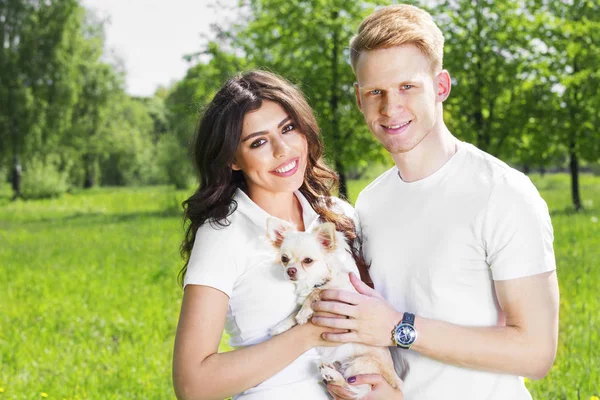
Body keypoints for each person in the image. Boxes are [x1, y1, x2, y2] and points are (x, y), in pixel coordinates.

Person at [311, 4, 560, 400]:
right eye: (376, 92)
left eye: (407, 87)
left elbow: (535, 353)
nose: (390, 108)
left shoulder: (504, 193)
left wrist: (399, 327)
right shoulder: (371, 202)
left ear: (441, 86)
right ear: (359, 99)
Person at [172, 70, 372, 400]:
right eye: (259, 142)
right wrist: (310, 332)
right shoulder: (223, 234)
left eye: (288, 128)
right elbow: (193, 385)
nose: (282, 149)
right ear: (233, 159)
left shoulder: (338, 215)